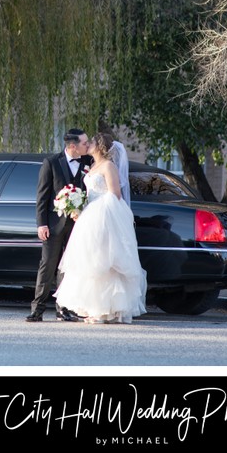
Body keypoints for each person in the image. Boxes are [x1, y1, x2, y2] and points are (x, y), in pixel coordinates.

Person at [54, 132, 147, 324]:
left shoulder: (108, 166)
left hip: (103, 216)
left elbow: (115, 194)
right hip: (89, 216)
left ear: (100, 146)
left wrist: (94, 209)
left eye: (92, 142)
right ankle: (94, 308)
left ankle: (107, 310)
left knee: (105, 263)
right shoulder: (93, 166)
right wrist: (77, 205)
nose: (88, 145)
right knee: (91, 262)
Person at [26, 129, 93, 322]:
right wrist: (42, 224)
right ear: (72, 146)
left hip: (78, 226)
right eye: (84, 143)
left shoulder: (88, 162)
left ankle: (63, 309)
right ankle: (37, 309)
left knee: (69, 268)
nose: (87, 146)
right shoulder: (51, 163)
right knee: (47, 266)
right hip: (54, 225)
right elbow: (42, 196)